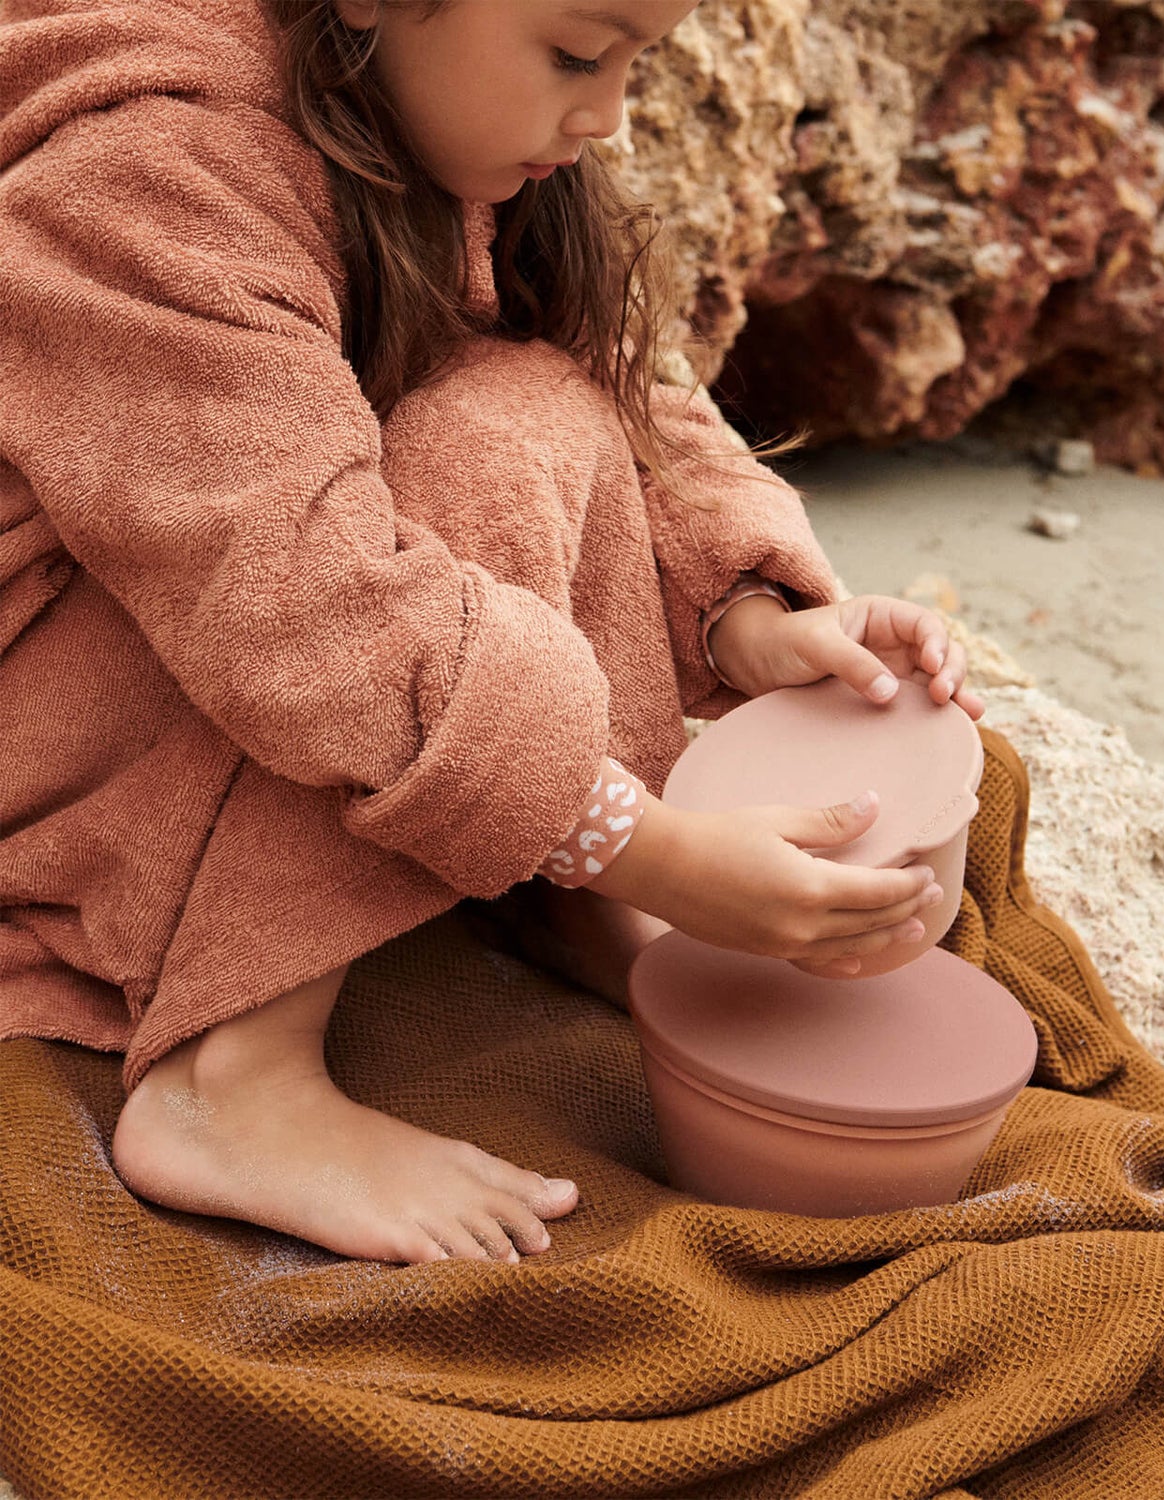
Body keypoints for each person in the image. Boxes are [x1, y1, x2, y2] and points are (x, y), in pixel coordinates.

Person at [0, 0, 985, 1268]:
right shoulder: (143, 170)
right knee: (473, 460)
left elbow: (612, 374)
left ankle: (533, 888)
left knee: (526, 404)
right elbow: (298, 601)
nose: (610, 113)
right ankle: (233, 1077)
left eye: (642, 61)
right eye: (580, 56)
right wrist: (635, 844)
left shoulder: (417, 96)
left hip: (220, 645)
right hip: (50, 709)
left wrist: (742, 612)